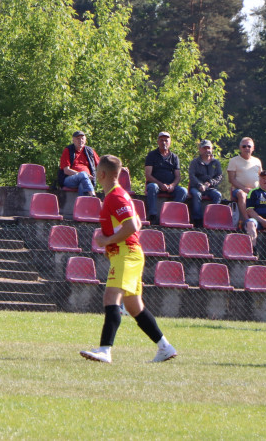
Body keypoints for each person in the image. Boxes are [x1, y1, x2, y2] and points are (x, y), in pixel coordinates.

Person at [80, 154, 177, 364]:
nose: (96, 175)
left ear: (103, 174)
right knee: (134, 307)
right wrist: (110, 240)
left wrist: (107, 240)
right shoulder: (119, 195)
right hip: (127, 253)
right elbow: (137, 224)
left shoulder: (115, 197)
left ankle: (105, 350)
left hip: (126, 253)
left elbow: (132, 227)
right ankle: (165, 347)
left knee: (110, 298)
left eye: (97, 171)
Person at [144, 131, 188, 224]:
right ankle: (152, 215)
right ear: (158, 142)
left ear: (170, 142)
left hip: (170, 187)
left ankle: (170, 214)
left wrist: (172, 185)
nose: (164, 142)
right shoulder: (151, 155)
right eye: (161, 140)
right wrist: (160, 184)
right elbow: (148, 175)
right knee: (152, 187)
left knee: (183, 191)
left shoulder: (174, 157)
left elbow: (178, 176)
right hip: (156, 185)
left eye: (166, 140)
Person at [227, 137, 262, 226]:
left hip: (255, 191)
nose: (247, 148)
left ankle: (263, 220)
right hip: (238, 190)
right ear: (240, 148)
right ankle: (247, 220)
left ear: (253, 148)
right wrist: (244, 189)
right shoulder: (234, 161)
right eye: (244, 146)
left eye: (249, 146)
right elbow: (231, 179)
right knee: (242, 194)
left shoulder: (257, 161)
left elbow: (261, 177)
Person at [187, 140, 223, 225]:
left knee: (218, 195)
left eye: (209, 148)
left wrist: (210, 183)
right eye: (204, 148)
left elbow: (219, 176)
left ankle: (211, 218)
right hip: (196, 187)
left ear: (212, 149)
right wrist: (199, 185)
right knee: (196, 194)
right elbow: (192, 176)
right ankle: (197, 220)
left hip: (210, 188)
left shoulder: (216, 163)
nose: (207, 150)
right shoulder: (194, 162)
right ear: (200, 149)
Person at [58, 130, 98, 197]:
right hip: (69, 179)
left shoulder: (90, 151)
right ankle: (94, 196)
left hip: (86, 180)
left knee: (83, 184)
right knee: (83, 174)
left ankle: (81, 205)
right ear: (73, 140)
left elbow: (100, 165)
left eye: (82, 138)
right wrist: (83, 175)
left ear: (85, 140)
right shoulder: (68, 150)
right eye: (78, 139)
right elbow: (66, 170)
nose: (80, 140)